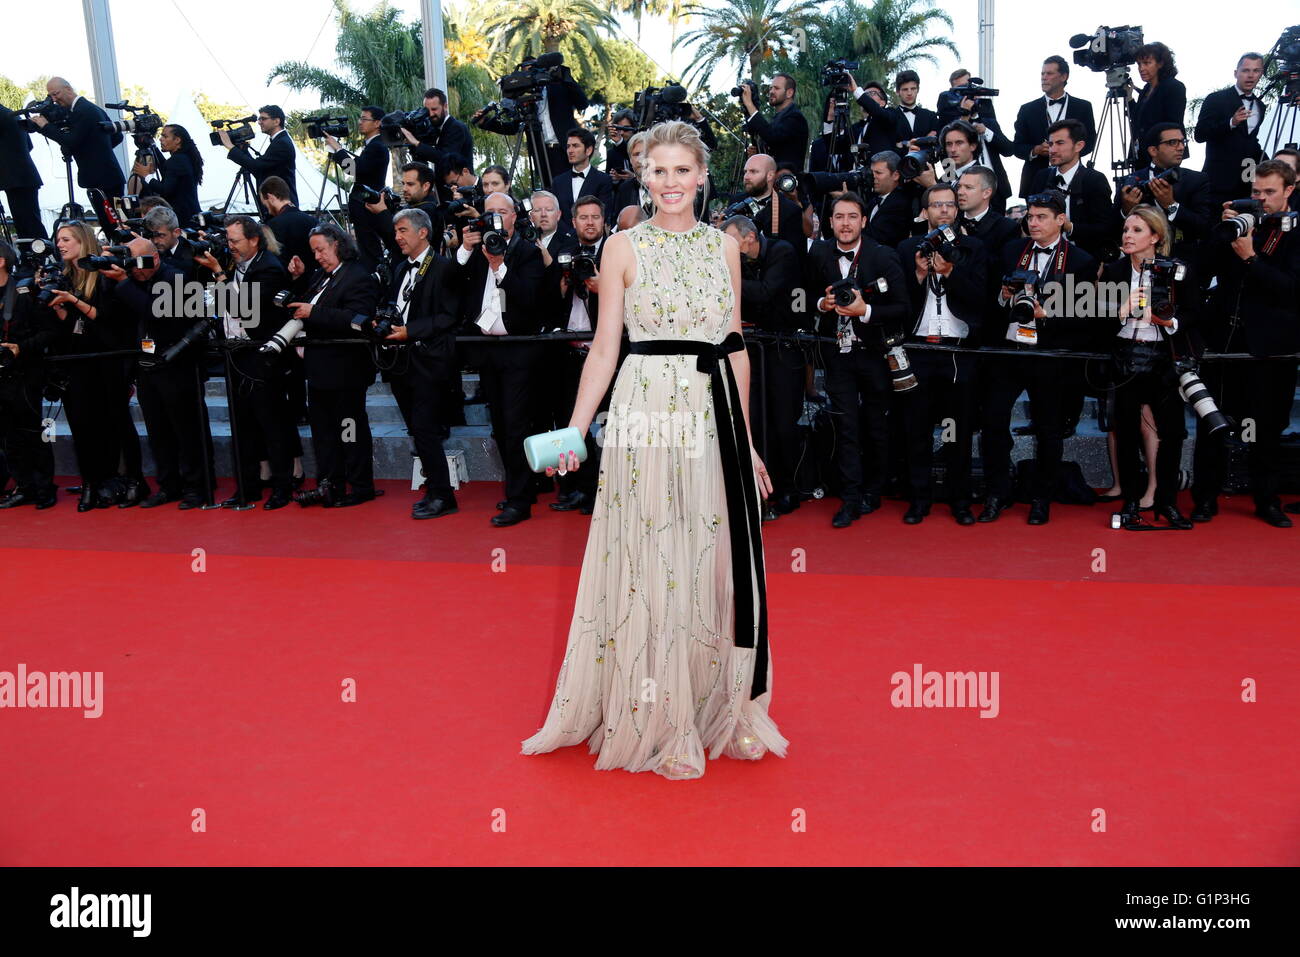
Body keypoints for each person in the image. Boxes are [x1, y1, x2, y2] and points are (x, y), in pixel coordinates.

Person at [521, 119, 786, 779]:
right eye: (658, 171)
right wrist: (577, 430)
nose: (670, 183)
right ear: (646, 177)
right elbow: (605, 347)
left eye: (681, 170)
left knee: (705, 558)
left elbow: (732, 344)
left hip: (709, 411)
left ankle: (708, 706)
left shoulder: (723, 246)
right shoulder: (619, 247)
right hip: (641, 408)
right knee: (650, 554)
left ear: (701, 176)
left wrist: (747, 441)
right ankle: (653, 714)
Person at [978, 190, 1098, 525]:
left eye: (1041, 217)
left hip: (1049, 357)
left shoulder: (1080, 261)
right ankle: (997, 492)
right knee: (993, 421)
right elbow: (990, 306)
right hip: (1009, 352)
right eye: (1030, 216)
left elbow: (1086, 318)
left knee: (1049, 430)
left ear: (1061, 220)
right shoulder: (1010, 251)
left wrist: (1050, 314)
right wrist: (1003, 299)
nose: (1033, 223)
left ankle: (1041, 497)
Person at [1193, 160, 1300, 527]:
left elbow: (1292, 291)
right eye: (1256, 192)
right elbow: (1202, 269)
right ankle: (1205, 498)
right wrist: (1221, 231)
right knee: (1213, 423)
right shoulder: (1239, 224)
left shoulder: (1297, 232)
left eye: (1269, 192)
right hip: (1224, 343)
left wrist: (1252, 258)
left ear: (1289, 191)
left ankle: (1266, 500)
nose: (1261, 199)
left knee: (1266, 428)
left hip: (1272, 350)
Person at [807, 191, 909, 528]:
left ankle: (875, 489)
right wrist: (822, 306)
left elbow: (903, 308)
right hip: (837, 356)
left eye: (852, 216)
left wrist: (864, 310)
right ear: (830, 222)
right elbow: (804, 296)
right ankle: (850, 498)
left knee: (877, 425)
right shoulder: (819, 252)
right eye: (839, 217)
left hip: (875, 354)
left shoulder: (883, 256)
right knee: (846, 425)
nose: (845, 223)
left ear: (864, 221)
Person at [895, 183, 987, 525]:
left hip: (957, 352)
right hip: (918, 350)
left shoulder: (974, 249)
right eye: (936, 205)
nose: (944, 211)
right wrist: (920, 273)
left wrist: (951, 272)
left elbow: (983, 300)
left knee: (958, 431)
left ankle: (960, 500)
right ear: (926, 212)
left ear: (957, 210)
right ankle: (919, 499)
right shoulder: (906, 249)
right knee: (916, 430)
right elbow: (898, 305)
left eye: (950, 205)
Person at [452, 191, 546, 525]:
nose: (493, 217)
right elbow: (450, 286)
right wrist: (464, 249)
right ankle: (522, 488)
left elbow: (530, 299)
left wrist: (500, 266)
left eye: (500, 212)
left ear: (513, 217)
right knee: (500, 426)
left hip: (519, 351)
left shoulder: (528, 253)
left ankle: (518, 499)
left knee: (517, 426)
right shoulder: (474, 254)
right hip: (488, 352)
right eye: (487, 212)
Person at [1101, 206, 1198, 530]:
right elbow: (1092, 319)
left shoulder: (1177, 270)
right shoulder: (1113, 271)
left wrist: (1168, 321)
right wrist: (1120, 310)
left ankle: (1167, 503)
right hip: (1125, 357)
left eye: (1137, 230)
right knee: (1126, 433)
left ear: (1155, 236)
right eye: (1126, 229)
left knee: (1172, 434)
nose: (1128, 235)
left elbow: (1196, 314)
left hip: (1163, 358)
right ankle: (1130, 502)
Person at [194, 215, 298, 507]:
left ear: (254, 240)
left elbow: (245, 308)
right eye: (228, 241)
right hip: (234, 353)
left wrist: (219, 274)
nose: (230, 247)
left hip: (261, 354)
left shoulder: (269, 268)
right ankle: (247, 487)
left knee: (271, 423)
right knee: (242, 425)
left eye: (235, 241)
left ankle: (282, 487)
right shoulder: (232, 265)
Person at [107, 237, 210, 509]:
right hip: (146, 365)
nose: (134, 269)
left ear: (154, 258)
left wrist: (124, 282)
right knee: (157, 430)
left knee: (186, 431)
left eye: (138, 262)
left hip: (177, 364)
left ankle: (196, 487)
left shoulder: (176, 277)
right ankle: (168, 485)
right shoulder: (133, 281)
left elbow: (156, 311)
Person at [41, 220, 137, 511]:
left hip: (108, 362)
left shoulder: (103, 275)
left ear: (83, 242)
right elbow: (69, 329)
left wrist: (74, 301)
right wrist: (59, 307)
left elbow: (107, 320)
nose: (60, 244)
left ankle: (122, 481)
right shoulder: (63, 277)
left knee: (114, 424)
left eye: (66, 239)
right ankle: (90, 482)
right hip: (77, 364)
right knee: (82, 427)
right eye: (58, 239)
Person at [285, 224, 380, 509]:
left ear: (337, 244)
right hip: (318, 371)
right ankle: (330, 485)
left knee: (350, 432)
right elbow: (307, 305)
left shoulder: (358, 276)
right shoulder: (320, 277)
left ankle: (361, 486)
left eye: (321, 250)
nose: (317, 256)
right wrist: (299, 279)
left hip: (346, 372)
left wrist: (314, 312)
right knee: (324, 434)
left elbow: (357, 319)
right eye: (314, 251)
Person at [722, 214, 804, 517]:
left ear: (750, 238)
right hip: (752, 350)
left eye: (732, 242)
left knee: (783, 422)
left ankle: (788, 490)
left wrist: (729, 276)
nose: (727, 249)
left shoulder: (782, 252)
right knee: (754, 421)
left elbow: (767, 292)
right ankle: (757, 491)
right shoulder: (740, 263)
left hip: (784, 351)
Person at [384, 208, 461, 519]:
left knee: (427, 429)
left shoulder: (444, 268)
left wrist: (409, 331)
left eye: (402, 230)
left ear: (422, 232)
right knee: (418, 430)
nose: (397, 237)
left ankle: (443, 495)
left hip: (429, 362)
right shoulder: (400, 267)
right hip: (401, 363)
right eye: (396, 232)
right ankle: (434, 489)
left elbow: (449, 316)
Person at [0, 239, 58, 508]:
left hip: (25, 376)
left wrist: (20, 348)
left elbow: (48, 333)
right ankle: (23, 486)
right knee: (9, 436)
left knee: (36, 432)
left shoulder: (25, 291)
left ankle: (45, 487)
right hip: (2, 378)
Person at [29, 78, 126, 225]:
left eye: (56, 94)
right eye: (51, 96)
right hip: (107, 176)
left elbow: (70, 141)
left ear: (68, 89)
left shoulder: (83, 110)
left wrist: (45, 127)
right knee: (116, 222)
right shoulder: (92, 108)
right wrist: (96, 149)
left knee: (115, 224)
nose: (54, 100)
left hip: (103, 179)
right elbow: (116, 137)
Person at [1115, 123, 1214, 260]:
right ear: (1153, 150)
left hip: (1183, 263)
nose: (1180, 147)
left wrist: (1171, 205)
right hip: (1137, 262)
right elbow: (1110, 229)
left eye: (1182, 141)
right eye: (1172, 142)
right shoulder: (1129, 182)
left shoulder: (1197, 180)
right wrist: (1126, 210)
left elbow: (1204, 227)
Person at [1012, 56, 1096, 201]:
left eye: (1049, 73)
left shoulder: (1083, 107)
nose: (1044, 78)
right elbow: (1017, 147)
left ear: (1064, 76)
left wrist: (1066, 152)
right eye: (1042, 74)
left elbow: (1090, 143)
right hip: (1035, 181)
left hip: (1075, 179)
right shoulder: (1027, 109)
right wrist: (1036, 150)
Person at [1194, 53, 1267, 207]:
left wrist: (1275, 163)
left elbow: (1251, 142)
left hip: (1247, 181)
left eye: (1256, 71)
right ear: (1236, 73)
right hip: (1217, 181)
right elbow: (1200, 134)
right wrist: (1231, 123)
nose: (1250, 76)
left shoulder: (1260, 106)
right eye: (1246, 70)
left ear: (1261, 73)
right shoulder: (1216, 99)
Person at [324, 106, 390, 268]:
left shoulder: (377, 146)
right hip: (363, 206)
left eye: (364, 119)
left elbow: (354, 169)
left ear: (377, 123)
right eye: (360, 119)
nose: (360, 123)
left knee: (370, 251)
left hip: (366, 206)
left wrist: (338, 149)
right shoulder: (373, 146)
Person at [219, 105, 297, 207]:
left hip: (281, 205)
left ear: (276, 121)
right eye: (259, 119)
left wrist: (230, 146)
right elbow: (260, 170)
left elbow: (257, 166)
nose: (259, 122)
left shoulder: (282, 143)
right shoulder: (279, 141)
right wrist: (244, 151)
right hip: (277, 204)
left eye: (263, 119)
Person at [134, 124, 203, 225]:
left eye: (165, 136)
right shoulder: (184, 157)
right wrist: (153, 146)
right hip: (191, 215)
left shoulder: (177, 160)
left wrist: (146, 176)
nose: (161, 139)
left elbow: (165, 189)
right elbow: (167, 168)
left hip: (182, 218)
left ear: (177, 140)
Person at [1130, 42, 1187, 163]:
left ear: (1160, 64)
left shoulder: (1174, 87)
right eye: (1139, 64)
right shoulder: (1146, 89)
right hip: (1143, 153)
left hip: (1163, 154)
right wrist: (1129, 99)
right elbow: (1138, 120)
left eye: (1147, 63)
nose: (1141, 68)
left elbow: (1173, 124)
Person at [739, 73, 809, 173]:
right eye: (770, 88)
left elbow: (772, 136)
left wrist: (750, 105)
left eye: (776, 88)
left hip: (787, 183)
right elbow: (774, 146)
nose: (771, 91)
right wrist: (757, 153)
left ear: (789, 93)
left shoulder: (795, 118)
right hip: (772, 181)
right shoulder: (777, 118)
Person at [403, 88, 474, 185]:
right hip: (443, 191)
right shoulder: (432, 127)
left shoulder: (456, 127)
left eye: (434, 109)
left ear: (445, 106)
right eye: (427, 110)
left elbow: (446, 158)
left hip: (460, 190)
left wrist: (416, 143)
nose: (431, 114)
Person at [549, 129, 614, 229]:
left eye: (575, 146)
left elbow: (602, 214)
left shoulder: (603, 180)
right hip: (564, 240)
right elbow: (555, 214)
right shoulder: (558, 182)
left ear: (588, 150)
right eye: (568, 146)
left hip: (592, 238)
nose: (570, 151)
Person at [0, 104, 47, 239]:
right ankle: (37, 255)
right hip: (22, 176)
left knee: (28, 225)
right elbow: (29, 145)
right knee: (29, 223)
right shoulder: (11, 114)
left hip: (16, 179)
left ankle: (37, 255)